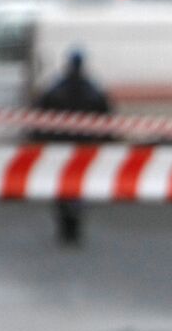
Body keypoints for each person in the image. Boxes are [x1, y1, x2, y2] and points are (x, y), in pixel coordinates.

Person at [32, 51, 112, 246]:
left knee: (61, 187)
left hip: (60, 146)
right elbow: (106, 116)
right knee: (79, 186)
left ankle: (66, 226)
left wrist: (39, 138)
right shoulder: (92, 89)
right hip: (84, 147)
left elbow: (40, 116)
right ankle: (74, 223)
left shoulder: (56, 88)